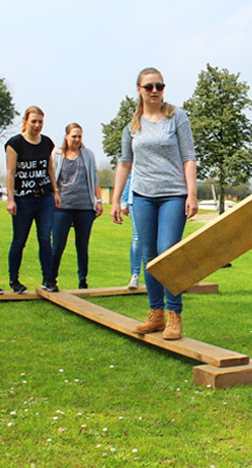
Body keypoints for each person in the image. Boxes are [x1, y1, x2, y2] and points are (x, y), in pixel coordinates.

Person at [111, 67, 198, 341]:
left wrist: (192, 194)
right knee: (149, 258)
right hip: (143, 197)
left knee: (168, 251)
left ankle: (174, 315)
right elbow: (125, 163)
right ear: (139, 90)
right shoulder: (132, 126)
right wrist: (116, 199)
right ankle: (155, 314)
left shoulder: (177, 117)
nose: (154, 91)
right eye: (148, 86)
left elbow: (189, 157)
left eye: (159, 86)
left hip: (173, 194)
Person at [5, 106, 61, 293]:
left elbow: (50, 169)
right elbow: (11, 172)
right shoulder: (15, 144)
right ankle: (14, 280)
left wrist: (55, 192)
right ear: (26, 122)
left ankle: (48, 279)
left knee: (45, 238)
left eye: (40, 122)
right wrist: (11, 199)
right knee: (19, 240)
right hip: (23, 199)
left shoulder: (47, 143)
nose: (37, 125)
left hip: (44, 197)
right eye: (34, 121)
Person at [51, 123, 103, 289]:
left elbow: (94, 178)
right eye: (74, 136)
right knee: (58, 245)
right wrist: (53, 194)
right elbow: (51, 177)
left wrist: (98, 200)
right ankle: (51, 279)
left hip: (85, 207)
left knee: (82, 246)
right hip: (62, 207)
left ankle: (82, 281)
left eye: (79, 136)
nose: (77, 139)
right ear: (66, 136)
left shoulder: (87, 155)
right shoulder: (57, 154)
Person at [121, 170, 142, 289]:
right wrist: (124, 201)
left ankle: (159, 276)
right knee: (137, 237)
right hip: (135, 199)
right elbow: (129, 176)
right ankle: (135, 275)